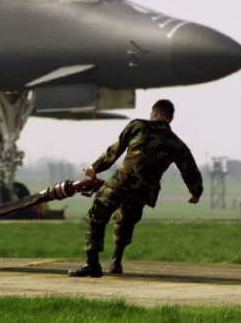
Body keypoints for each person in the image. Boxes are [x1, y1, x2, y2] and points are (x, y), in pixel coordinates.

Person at [69, 99, 203, 277]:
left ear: (154, 113)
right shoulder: (176, 143)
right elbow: (189, 169)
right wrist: (196, 192)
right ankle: (116, 261)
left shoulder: (138, 126)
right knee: (126, 222)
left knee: (96, 215)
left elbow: (115, 150)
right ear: (170, 118)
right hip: (144, 190)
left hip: (122, 182)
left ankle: (92, 264)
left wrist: (95, 168)